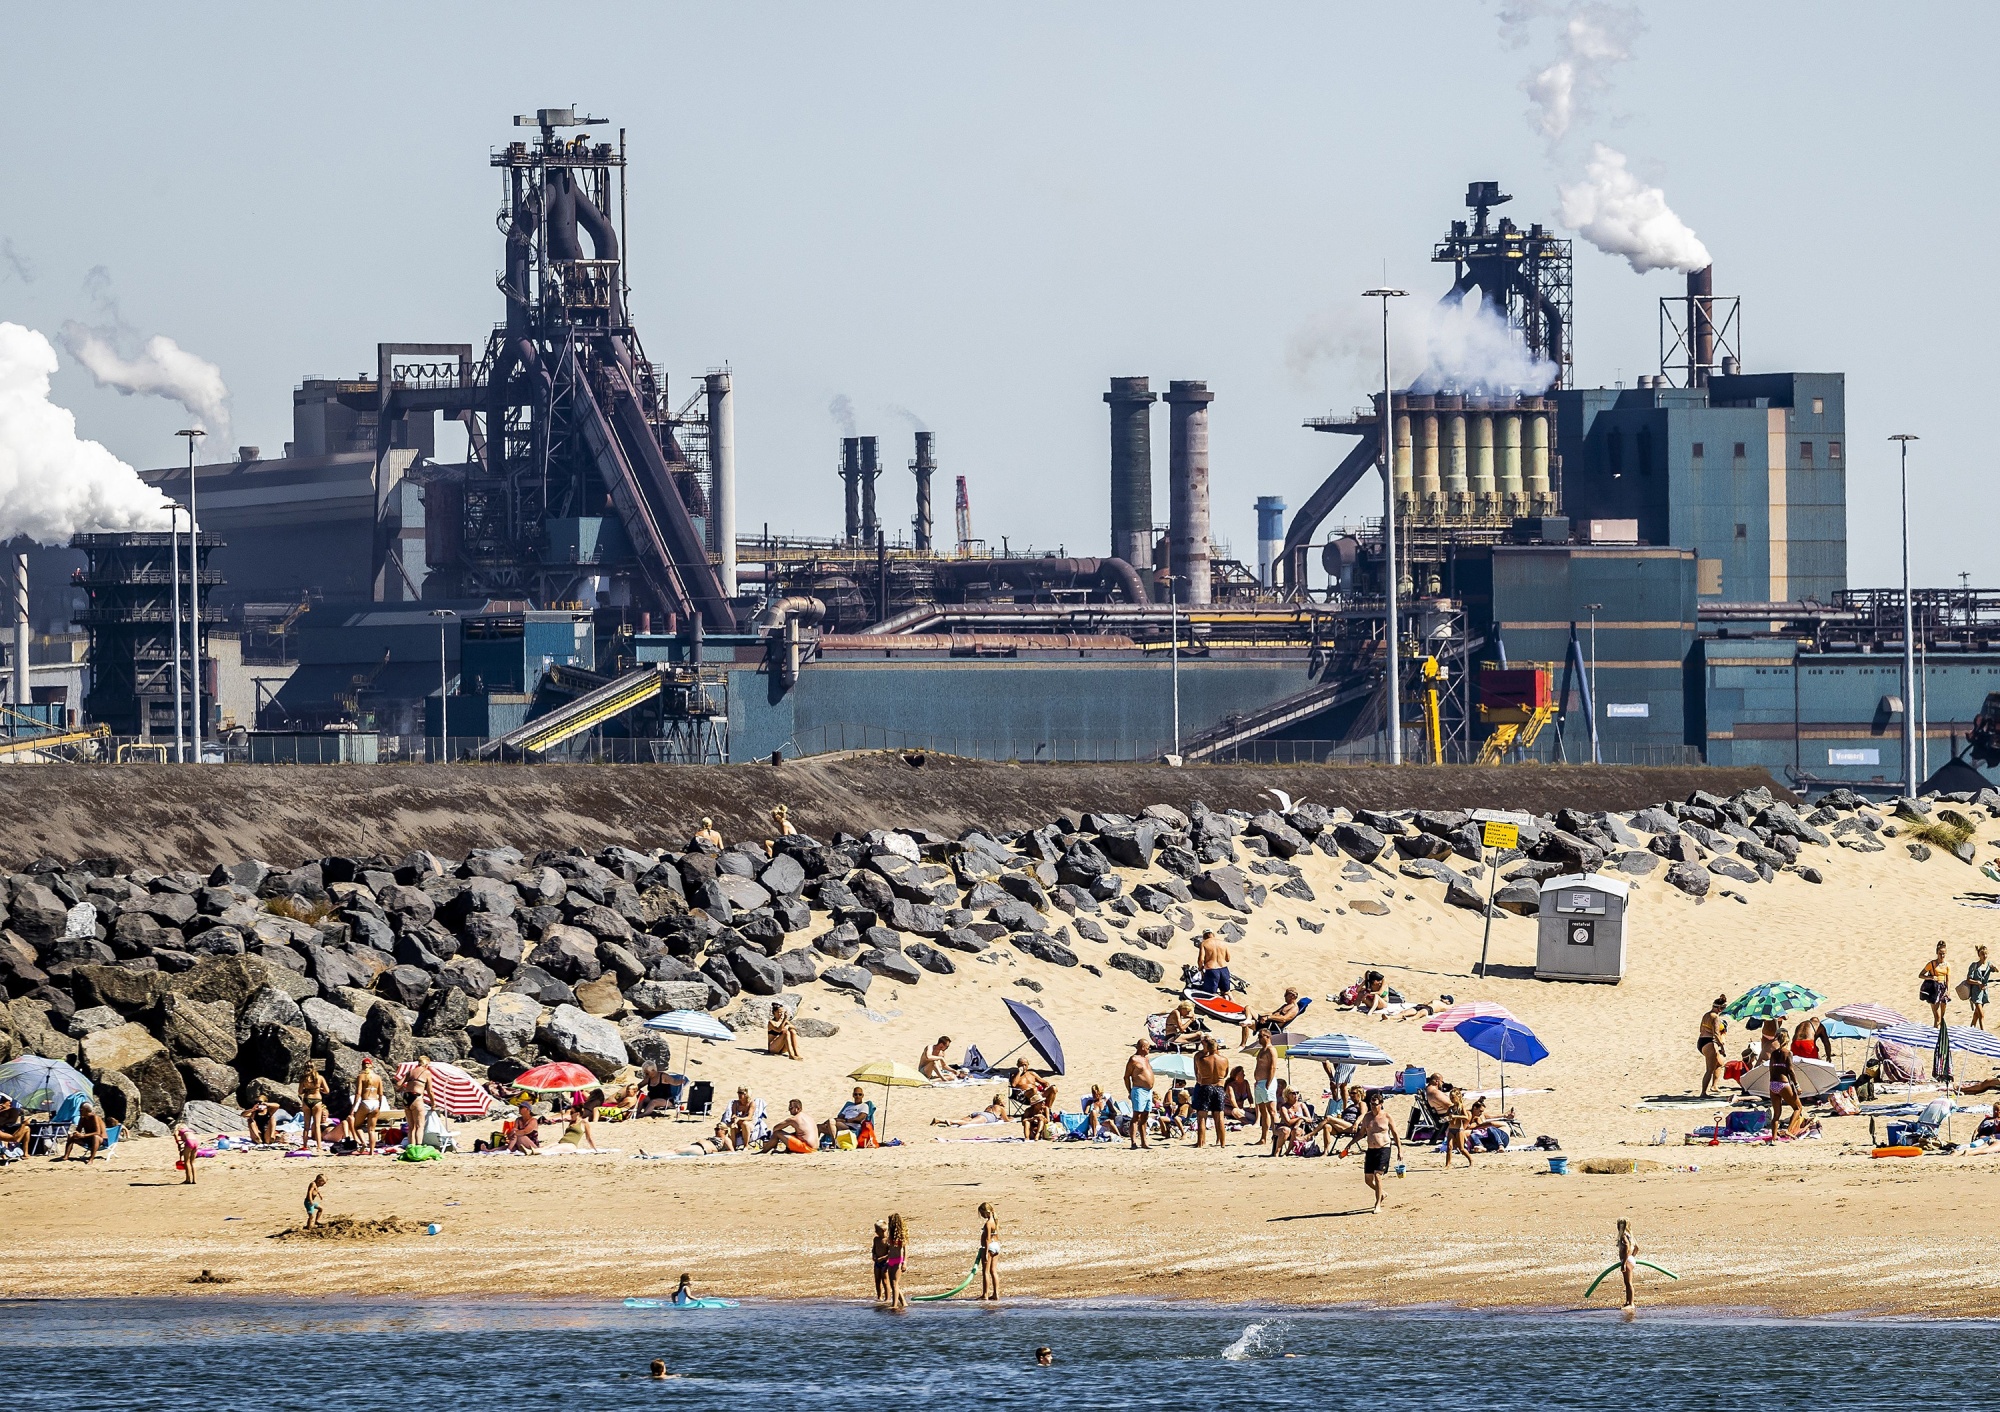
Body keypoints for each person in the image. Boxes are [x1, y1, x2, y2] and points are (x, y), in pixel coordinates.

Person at [1340, 1090, 1403, 1212]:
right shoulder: (1367, 1117)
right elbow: (1362, 1133)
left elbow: (1395, 1134)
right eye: (1372, 1104)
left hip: (1384, 1149)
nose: (1373, 1106)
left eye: (1375, 1104)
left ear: (1381, 1104)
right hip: (1371, 1150)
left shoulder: (1387, 1117)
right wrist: (1349, 1145)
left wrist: (1400, 1149)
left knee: (1377, 1176)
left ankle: (1377, 1204)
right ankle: (1382, 1194)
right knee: (1368, 1180)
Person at [1191, 1035, 1227, 1148]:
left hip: (1206, 1086)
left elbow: (1198, 1074)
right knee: (1219, 1116)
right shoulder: (1224, 1060)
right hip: (1219, 1087)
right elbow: (1225, 1074)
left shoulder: (1201, 1059)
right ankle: (1222, 1143)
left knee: (1202, 1116)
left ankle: (1201, 1142)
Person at [1123, 1039, 1156, 1150]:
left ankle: (1144, 1141)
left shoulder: (1146, 1059)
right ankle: (1133, 1142)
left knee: (1145, 1116)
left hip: (1148, 1091)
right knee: (1136, 1116)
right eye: (1148, 1047)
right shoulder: (1134, 1059)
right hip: (1139, 1090)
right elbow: (1126, 1076)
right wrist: (1130, 1091)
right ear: (1142, 1047)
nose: (1149, 1049)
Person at [1766, 1042, 1802, 1139]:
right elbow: (1790, 1070)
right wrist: (1797, 1085)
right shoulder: (1787, 1053)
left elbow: (1770, 1068)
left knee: (1776, 1114)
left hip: (1773, 1084)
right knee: (1798, 1108)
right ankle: (1789, 1131)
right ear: (1787, 1040)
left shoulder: (1773, 1053)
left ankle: (1773, 1137)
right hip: (1783, 1083)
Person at [351, 1056, 387, 1154]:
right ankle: (371, 1151)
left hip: (365, 1102)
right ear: (372, 1066)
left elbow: (358, 1093)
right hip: (375, 1103)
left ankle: (363, 1142)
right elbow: (380, 1094)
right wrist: (379, 1106)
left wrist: (353, 1107)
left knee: (356, 1126)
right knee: (372, 1129)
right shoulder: (378, 1078)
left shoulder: (361, 1077)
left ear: (363, 1066)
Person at [1697, 996, 1728, 1097]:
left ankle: (1714, 1086)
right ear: (1720, 1008)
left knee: (1719, 1063)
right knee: (1710, 1069)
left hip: (1701, 1041)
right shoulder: (1715, 1017)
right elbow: (1716, 1033)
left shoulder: (1706, 1014)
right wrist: (1721, 1046)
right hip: (1709, 1042)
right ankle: (1703, 1092)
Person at [1268, 1084, 1309, 1157]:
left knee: (1297, 1131)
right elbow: (1288, 1122)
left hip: (1298, 1128)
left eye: (1297, 1092)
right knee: (1286, 1130)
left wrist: (1300, 1120)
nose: (1296, 1095)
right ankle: (1277, 1152)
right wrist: (1300, 1118)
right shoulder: (1284, 1107)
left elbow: (1309, 1119)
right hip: (1284, 1126)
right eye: (1293, 1093)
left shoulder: (1302, 1105)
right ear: (1287, 1095)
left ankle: (1287, 1152)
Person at [1252, 1036, 1278, 1144]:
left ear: (1267, 1037)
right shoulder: (1262, 1050)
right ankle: (1263, 1138)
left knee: (1272, 1111)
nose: (1258, 1039)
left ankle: (1276, 1136)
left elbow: (1273, 1067)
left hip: (1267, 1083)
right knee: (1262, 1111)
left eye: (1260, 1036)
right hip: (1259, 1083)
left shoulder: (1271, 1049)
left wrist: (1268, 1082)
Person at [298, 1065, 330, 1151]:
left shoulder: (303, 1078)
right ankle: (319, 1146)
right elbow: (327, 1091)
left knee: (306, 1126)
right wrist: (319, 1089)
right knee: (317, 1125)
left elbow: (300, 1092)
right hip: (317, 1100)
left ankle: (305, 1145)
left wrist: (306, 1090)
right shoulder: (320, 1078)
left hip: (306, 1100)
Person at [1921, 941, 1951, 1028]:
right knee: (1937, 1017)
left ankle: (1940, 1036)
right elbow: (1921, 975)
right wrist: (1931, 977)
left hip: (1943, 989)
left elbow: (1948, 980)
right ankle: (1935, 1036)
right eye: (1940, 953)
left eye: (1944, 954)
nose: (1942, 956)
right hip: (1934, 990)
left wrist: (1948, 991)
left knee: (1942, 1017)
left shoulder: (1947, 965)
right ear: (1937, 953)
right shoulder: (1932, 964)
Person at [1443, 1091, 1475, 1168]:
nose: (1451, 1099)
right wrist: (1446, 1118)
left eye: (1453, 1097)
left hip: (1459, 1130)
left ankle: (1471, 1160)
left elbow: (1466, 1117)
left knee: (1461, 1148)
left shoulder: (1461, 1107)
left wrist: (1455, 1116)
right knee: (1449, 1147)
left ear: (1458, 1097)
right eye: (1450, 1097)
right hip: (1451, 1129)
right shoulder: (1450, 1108)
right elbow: (1446, 1116)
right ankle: (1447, 1164)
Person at [1196, 930, 1231, 997]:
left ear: (1204, 936)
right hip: (1224, 969)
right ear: (1213, 934)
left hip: (1212, 970)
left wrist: (1200, 968)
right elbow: (1228, 959)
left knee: (1211, 994)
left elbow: (1201, 960)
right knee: (1227, 992)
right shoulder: (1222, 942)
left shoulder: (1204, 943)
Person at [884, 1212, 908, 1309]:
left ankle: (894, 1305)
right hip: (891, 1261)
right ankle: (904, 1303)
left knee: (895, 1284)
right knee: (894, 1283)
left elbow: (905, 1251)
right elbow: (889, 1251)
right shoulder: (890, 1237)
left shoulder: (901, 1237)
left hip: (898, 1261)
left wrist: (904, 1263)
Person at [977, 1201, 1000, 1302]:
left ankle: (985, 1294)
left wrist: (985, 1252)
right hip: (996, 1246)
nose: (981, 1216)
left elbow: (987, 1239)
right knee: (993, 1271)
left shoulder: (988, 1224)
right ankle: (996, 1294)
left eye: (981, 1213)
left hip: (989, 1247)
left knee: (985, 1272)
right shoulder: (994, 1221)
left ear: (985, 1212)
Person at [1969, 945, 1996, 1030]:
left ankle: (1971, 1029)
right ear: (1979, 955)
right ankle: (1983, 1034)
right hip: (1976, 992)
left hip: (1984, 992)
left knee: (1976, 1015)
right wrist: (1977, 982)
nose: (1984, 956)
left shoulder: (1988, 965)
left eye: (1986, 954)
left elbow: (1997, 970)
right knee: (1981, 1015)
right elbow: (1968, 979)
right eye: (1982, 954)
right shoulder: (1974, 966)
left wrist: (1994, 968)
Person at [1616, 1218, 1640, 1310]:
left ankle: (1631, 1303)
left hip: (1627, 1261)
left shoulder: (1623, 1236)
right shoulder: (1630, 1235)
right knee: (1627, 1283)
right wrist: (1632, 1257)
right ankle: (1628, 1302)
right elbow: (1637, 1248)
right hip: (1630, 1259)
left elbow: (1626, 1247)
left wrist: (1624, 1262)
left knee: (1628, 1283)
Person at [871, 1222, 891, 1302]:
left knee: (885, 1280)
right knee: (877, 1279)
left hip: (885, 1263)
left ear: (883, 1230)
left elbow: (890, 1253)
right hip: (877, 1262)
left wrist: (882, 1258)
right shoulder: (876, 1239)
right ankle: (879, 1296)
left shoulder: (887, 1240)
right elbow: (873, 1249)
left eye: (877, 1230)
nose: (875, 1232)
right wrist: (874, 1255)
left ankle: (887, 1298)